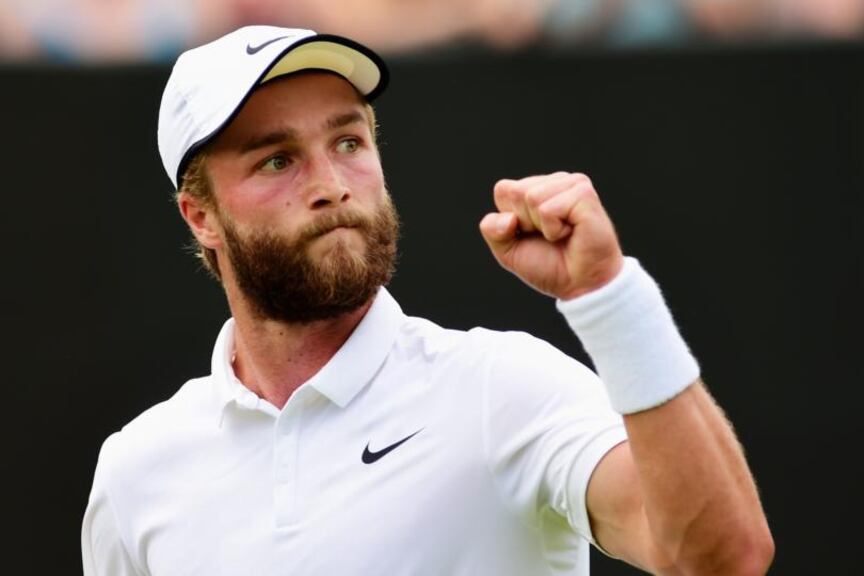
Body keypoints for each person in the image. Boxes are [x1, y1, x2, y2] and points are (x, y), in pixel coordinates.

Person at [81, 25, 773, 575]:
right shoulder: (137, 470)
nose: (332, 183)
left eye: (349, 140)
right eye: (277, 160)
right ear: (200, 217)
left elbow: (718, 558)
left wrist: (608, 296)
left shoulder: (503, 389)